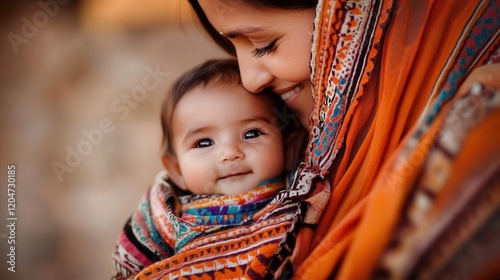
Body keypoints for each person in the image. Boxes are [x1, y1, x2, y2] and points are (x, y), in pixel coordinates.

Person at [116, 0, 500, 279]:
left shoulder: (484, 134)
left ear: (351, 15)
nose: (250, 80)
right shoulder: (332, 155)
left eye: (265, 44)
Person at [112, 59, 305, 279]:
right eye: (204, 143)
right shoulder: (166, 206)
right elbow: (129, 265)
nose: (230, 153)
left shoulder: (298, 191)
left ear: (288, 149)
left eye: (251, 133)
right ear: (176, 170)